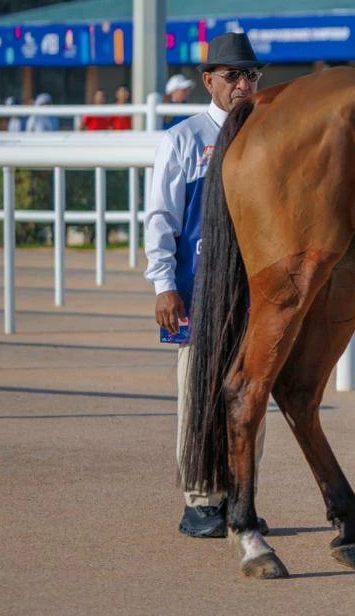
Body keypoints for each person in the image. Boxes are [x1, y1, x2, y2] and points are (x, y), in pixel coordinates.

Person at [145, 32, 268, 538]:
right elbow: (160, 219)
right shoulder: (183, 139)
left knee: (251, 395)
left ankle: (241, 495)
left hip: (256, 294)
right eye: (233, 75)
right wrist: (163, 285)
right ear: (209, 81)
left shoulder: (269, 134)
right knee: (198, 393)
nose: (243, 84)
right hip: (197, 289)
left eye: (251, 75)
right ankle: (201, 500)